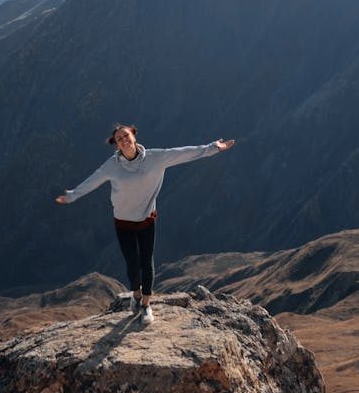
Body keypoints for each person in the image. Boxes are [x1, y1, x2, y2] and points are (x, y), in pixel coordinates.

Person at [55, 124, 235, 324]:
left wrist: (213, 147)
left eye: (126, 135)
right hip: (123, 222)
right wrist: (71, 196)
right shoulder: (111, 166)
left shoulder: (156, 158)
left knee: (146, 262)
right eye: (119, 138)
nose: (124, 139)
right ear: (116, 145)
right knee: (132, 266)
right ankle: (137, 295)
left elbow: (185, 153)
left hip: (147, 219)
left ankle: (146, 306)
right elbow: (93, 181)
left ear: (134, 136)